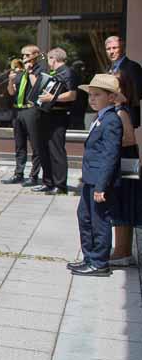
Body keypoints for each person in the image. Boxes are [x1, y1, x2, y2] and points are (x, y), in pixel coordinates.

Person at [69, 74, 123, 276]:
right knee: (84, 217)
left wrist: (101, 186)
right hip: (90, 179)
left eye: (97, 95)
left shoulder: (111, 120)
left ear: (111, 98)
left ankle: (99, 262)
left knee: (99, 221)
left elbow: (110, 156)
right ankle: (89, 257)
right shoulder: (99, 117)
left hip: (100, 181)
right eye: (90, 95)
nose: (91, 99)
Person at [36, 47, 78, 195]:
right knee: (44, 149)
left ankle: (60, 185)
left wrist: (52, 98)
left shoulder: (68, 72)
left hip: (58, 115)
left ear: (53, 59)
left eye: (49, 59)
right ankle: (48, 182)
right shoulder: (53, 73)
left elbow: (72, 94)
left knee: (56, 150)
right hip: (46, 114)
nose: (48, 62)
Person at [3, 46, 44, 185]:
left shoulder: (40, 70)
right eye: (23, 55)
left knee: (35, 144)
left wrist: (30, 72)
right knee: (19, 144)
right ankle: (18, 173)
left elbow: (38, 88)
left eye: (27, 55)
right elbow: (11, 92)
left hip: (31, 109)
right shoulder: (19, 71)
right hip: (18, 110)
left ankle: (34, 176)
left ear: (35, 55)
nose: (24, 58)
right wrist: (10, 80)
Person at [110, 69, 138, 266]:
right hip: (127, 160)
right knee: (123, 204)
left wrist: (108, 142)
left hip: (126, 161)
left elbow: (129, 139)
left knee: (123, 203)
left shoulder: (121, 111)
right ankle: (123, 250)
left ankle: (122, 251)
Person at [105, 36, 142, 128]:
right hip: (111, 115)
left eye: (114, 48)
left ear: (123, 49)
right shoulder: (108, 68)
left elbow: (138, 92)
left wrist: (120, 97)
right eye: (108, 49)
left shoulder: (132, 66)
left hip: (126, 115)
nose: (111, 51)